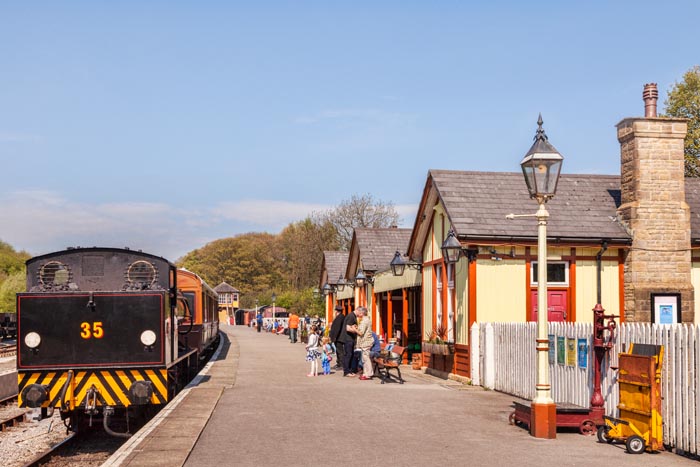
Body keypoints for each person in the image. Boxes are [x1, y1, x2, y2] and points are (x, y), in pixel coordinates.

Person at [338, 307, 360, 377]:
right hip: (348, 339)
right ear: (357, 310)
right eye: (360, 313)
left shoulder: (352, 316)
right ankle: (346, 371)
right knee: (348, 355)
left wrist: (354, 326)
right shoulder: (351, 316)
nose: (360, 315)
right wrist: (356, 331)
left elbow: (350, 326)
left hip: (350, 338)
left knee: (350, 355)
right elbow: (347, 328)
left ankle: (350, 370)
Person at [355, 307, 374, 380]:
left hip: (366, 342)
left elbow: (361, 332)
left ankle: (368, 374)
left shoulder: (364, 321)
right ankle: (365, 373)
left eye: (359, 312)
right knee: (364, 358)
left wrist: (354, 329)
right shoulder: (366, 320)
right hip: (366, 342)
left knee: (366, 359)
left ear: (362, 313)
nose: (358, 313)